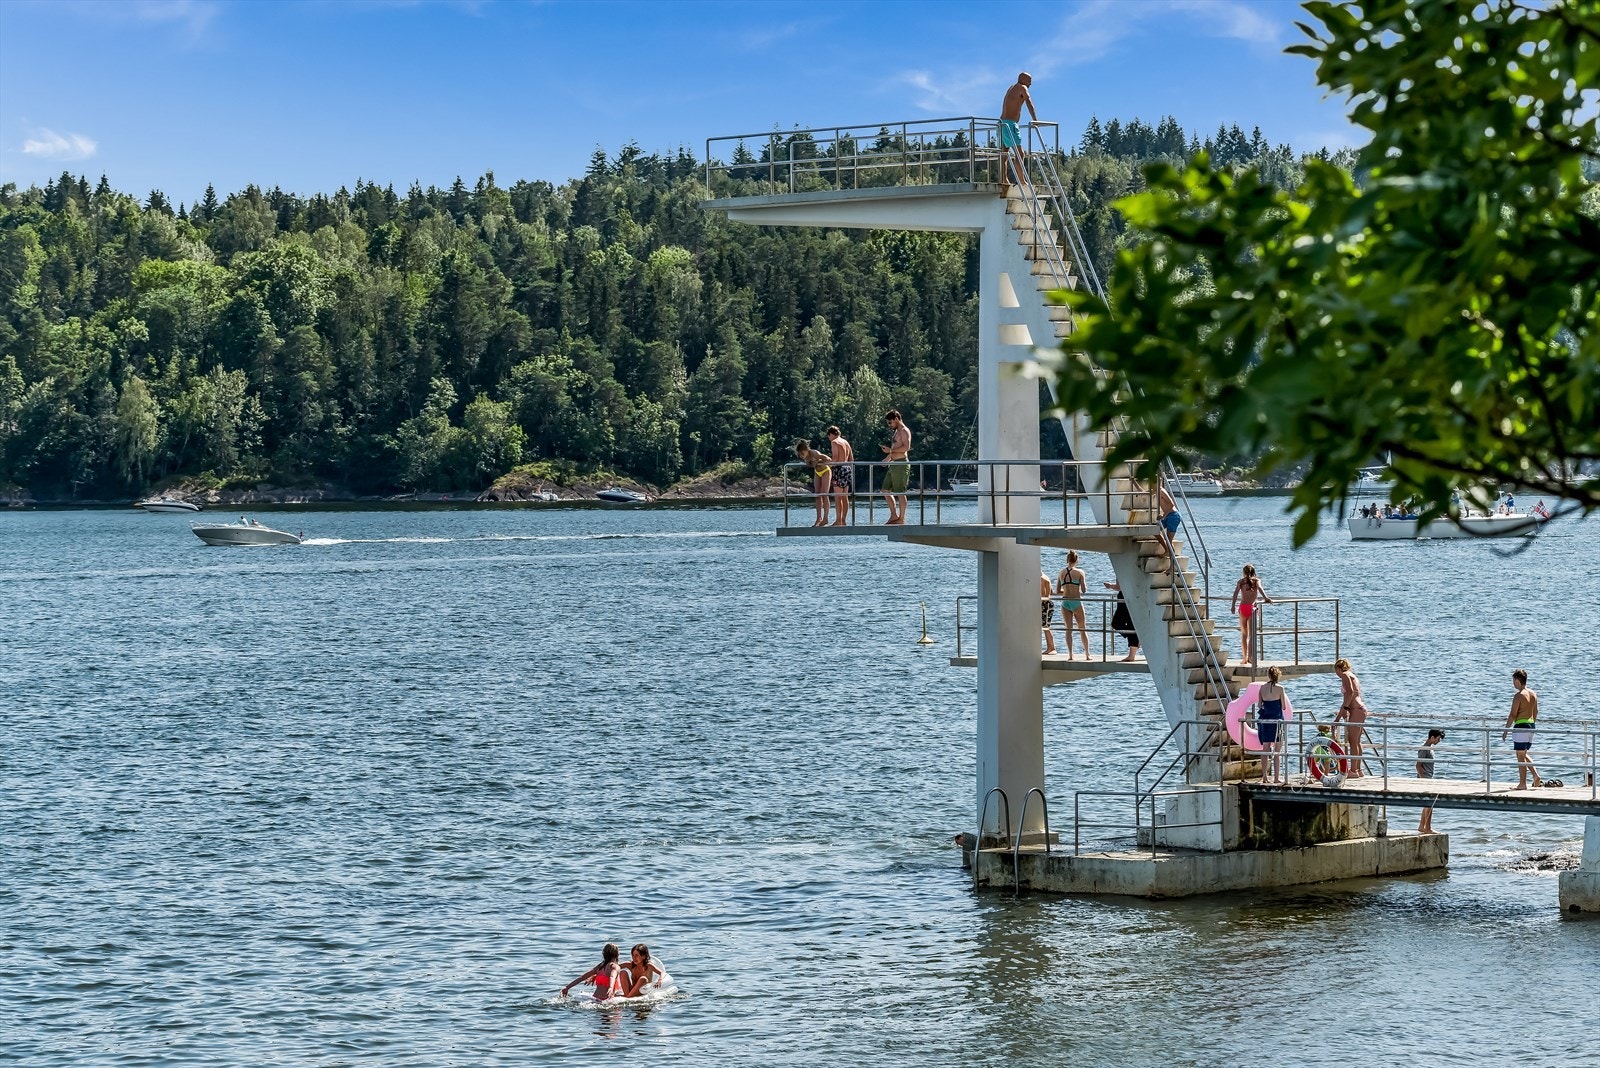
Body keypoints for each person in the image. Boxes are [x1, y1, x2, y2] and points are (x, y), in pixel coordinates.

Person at [1500, 668, 1543, 790]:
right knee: (1523, 753)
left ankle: (1522, 784)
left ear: (1518, 680)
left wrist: (1506, 730)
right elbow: (1536, 712)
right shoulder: (1533, 693)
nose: (1513, 683)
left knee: (1520, 756)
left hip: (1521, 726)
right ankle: (1535, 775)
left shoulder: (1519, 696)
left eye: (1513, 680)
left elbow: (1513, 714)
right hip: (1531, 726)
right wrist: (1532, 725)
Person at [997, 72, 1038, 197]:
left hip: (1002, 122)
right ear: (1023, 79)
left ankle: (1004, 179)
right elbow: (1029, 102)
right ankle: (1021, 180)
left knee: (1004, 153)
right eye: (1029, 80)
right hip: (1010, 124)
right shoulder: (1022, 87)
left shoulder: (1011, 87)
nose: (1030, 83)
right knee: (1020, 153)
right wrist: (1035, 120)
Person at [1230, 563, 1274, 666]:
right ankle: (1250, 657)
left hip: (1242, 608)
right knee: (1252, 635)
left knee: (1244, 635)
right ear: (1254, 572)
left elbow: (1235, 593)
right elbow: (1260, 589)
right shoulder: (1256, 581)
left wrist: (1232, 606)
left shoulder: (1241, 582)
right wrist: (1266, 598)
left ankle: (1244, 658)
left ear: (1244, 573)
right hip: (1252, 608)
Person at [1332, 657, 1370, 777]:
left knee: (1353, 741)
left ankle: (1353, 770)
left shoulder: (1345, 675)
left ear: (1338, 668)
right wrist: (1339, 716)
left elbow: (1350, 693)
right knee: (1357, 741)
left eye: (1336, 671)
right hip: (1360, 709)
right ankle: (1358, 770)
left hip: (1356, 709)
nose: (1337, 674)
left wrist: (1346, 709)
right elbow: (1349, 696)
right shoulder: (1353, 676)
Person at [1055, 550, 1091, 661]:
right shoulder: (1080, 572)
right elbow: (1084, 590)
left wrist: (1066, 590)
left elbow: (1057, 591)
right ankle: (1087, 654)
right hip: (1076, 602)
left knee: (1068, 630)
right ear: (1077, 560)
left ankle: (1070, 655)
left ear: (1067, 560)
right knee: (1082, 629)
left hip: (1065, 602)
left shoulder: (1061, 573)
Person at [1257, 666, 1289, 784]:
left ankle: (1264, 776)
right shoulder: (1280, 688)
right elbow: (1284, 706)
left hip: (1266, 721)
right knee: (1277, 750)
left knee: (1265, 749)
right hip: (1277, 721)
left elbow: (1260, 705)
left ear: (1268, 676)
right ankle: (1276, 777)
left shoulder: (1262, 688)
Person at [880, 409, 912, 525]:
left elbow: (906, 448)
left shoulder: (904, 431)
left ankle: (901, 519)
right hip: (893, 463)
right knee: (885, 489)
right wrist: (887, 458)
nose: (889, 425)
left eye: (890, 422)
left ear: (896, 419)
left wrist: (891, 450)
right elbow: (895, 448)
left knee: (900, 492)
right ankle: (894, 515)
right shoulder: (896, 431)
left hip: (901, 464)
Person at [794, 439, 832, 527]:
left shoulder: (814, 453)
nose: (802, 456)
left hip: (825, 471)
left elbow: (828, 459)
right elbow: (810, 464)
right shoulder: (805, 457)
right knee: (817, 495)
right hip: (817, 473)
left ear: (806, 450)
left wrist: (818, 462)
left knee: (824, 494)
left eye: (802, 453)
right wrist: (811, 464)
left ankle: (825, 518)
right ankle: (819, 518)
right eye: (800, 454)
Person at [1416, 728, 1444, 833]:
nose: (1439, 741)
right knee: (1429, 804)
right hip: (1425, 778)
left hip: (1429, 777)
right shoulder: (1425, 748)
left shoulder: (1430, 748)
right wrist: (1423, 780)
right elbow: (1418, 765)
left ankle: (1421, 826)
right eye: (1438, 739)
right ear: (1432, 737)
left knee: (1426, 804)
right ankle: (1427, 828)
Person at [825, 425, 854, 526]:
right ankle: (844, 520)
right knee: (845, 497)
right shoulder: (846, 442)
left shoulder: (835, 442)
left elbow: (836, 458)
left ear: (831, 434)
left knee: (838, 497)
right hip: (847, 468)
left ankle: (838, 520)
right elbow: (851, 459)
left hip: (839, 469)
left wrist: (827, 464)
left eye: (828, 436)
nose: (829, 439)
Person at [1105, 580, 1140, 661]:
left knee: (1126, 624)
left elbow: (1122, 586)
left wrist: (1110, 586)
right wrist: (1110, 586)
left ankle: (1132, 654)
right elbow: (1119, 587)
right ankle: (1136, 639)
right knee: (1117, 624)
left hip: (1127, 598)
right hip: (1123, 597)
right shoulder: (1120, 571)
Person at [1040, 571, 1057, 654]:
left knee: (1045, 626)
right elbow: (1051, 592)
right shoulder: (1045, 577)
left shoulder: (1042, 578)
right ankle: (1050, 647)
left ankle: (1051, 647)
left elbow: (1046, 595)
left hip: (1045, 604)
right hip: (1046, 604)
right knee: (1044, 626)